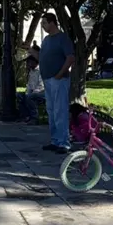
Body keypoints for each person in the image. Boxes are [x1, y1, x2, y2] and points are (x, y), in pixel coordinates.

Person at [39, 13, 74, 154]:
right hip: (47, 79)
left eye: (44, 23)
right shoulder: (46, 40)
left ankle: (64, 143)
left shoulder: (62, 38)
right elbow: (42, 57)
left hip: (59, 79)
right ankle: (55, 140)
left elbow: (70, 57)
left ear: (52, 22)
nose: (43, 25)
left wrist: (60, 74)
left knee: (60, 110)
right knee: (51, 110)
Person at [18, 55, 45, 124]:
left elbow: (41, 86)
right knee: (19, 94)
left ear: (34, 62)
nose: (27, 64)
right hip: (33, 91)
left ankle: (34, 118)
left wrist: (32, 93)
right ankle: (25, 116)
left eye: (28, 62)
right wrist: (27, 91)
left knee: (29, 97)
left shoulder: (40, 70)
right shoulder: (31, 71)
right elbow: (29, 85)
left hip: (42, 92)